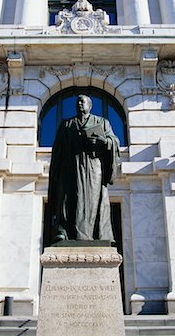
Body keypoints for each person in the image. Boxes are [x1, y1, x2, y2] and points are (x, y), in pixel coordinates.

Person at [48, 94, 120, 244]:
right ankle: (64, 232)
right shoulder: (66, 124)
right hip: (70, 167)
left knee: (92, 201)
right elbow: (58, 150)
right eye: (77, 102)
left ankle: (93, 235)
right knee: (68, 200)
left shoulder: (102, 122)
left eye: (83, 101)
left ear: (90, 105)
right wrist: (56, 172)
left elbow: (114, 141)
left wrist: (103, 141)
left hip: (93, 168)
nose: (79, 104)